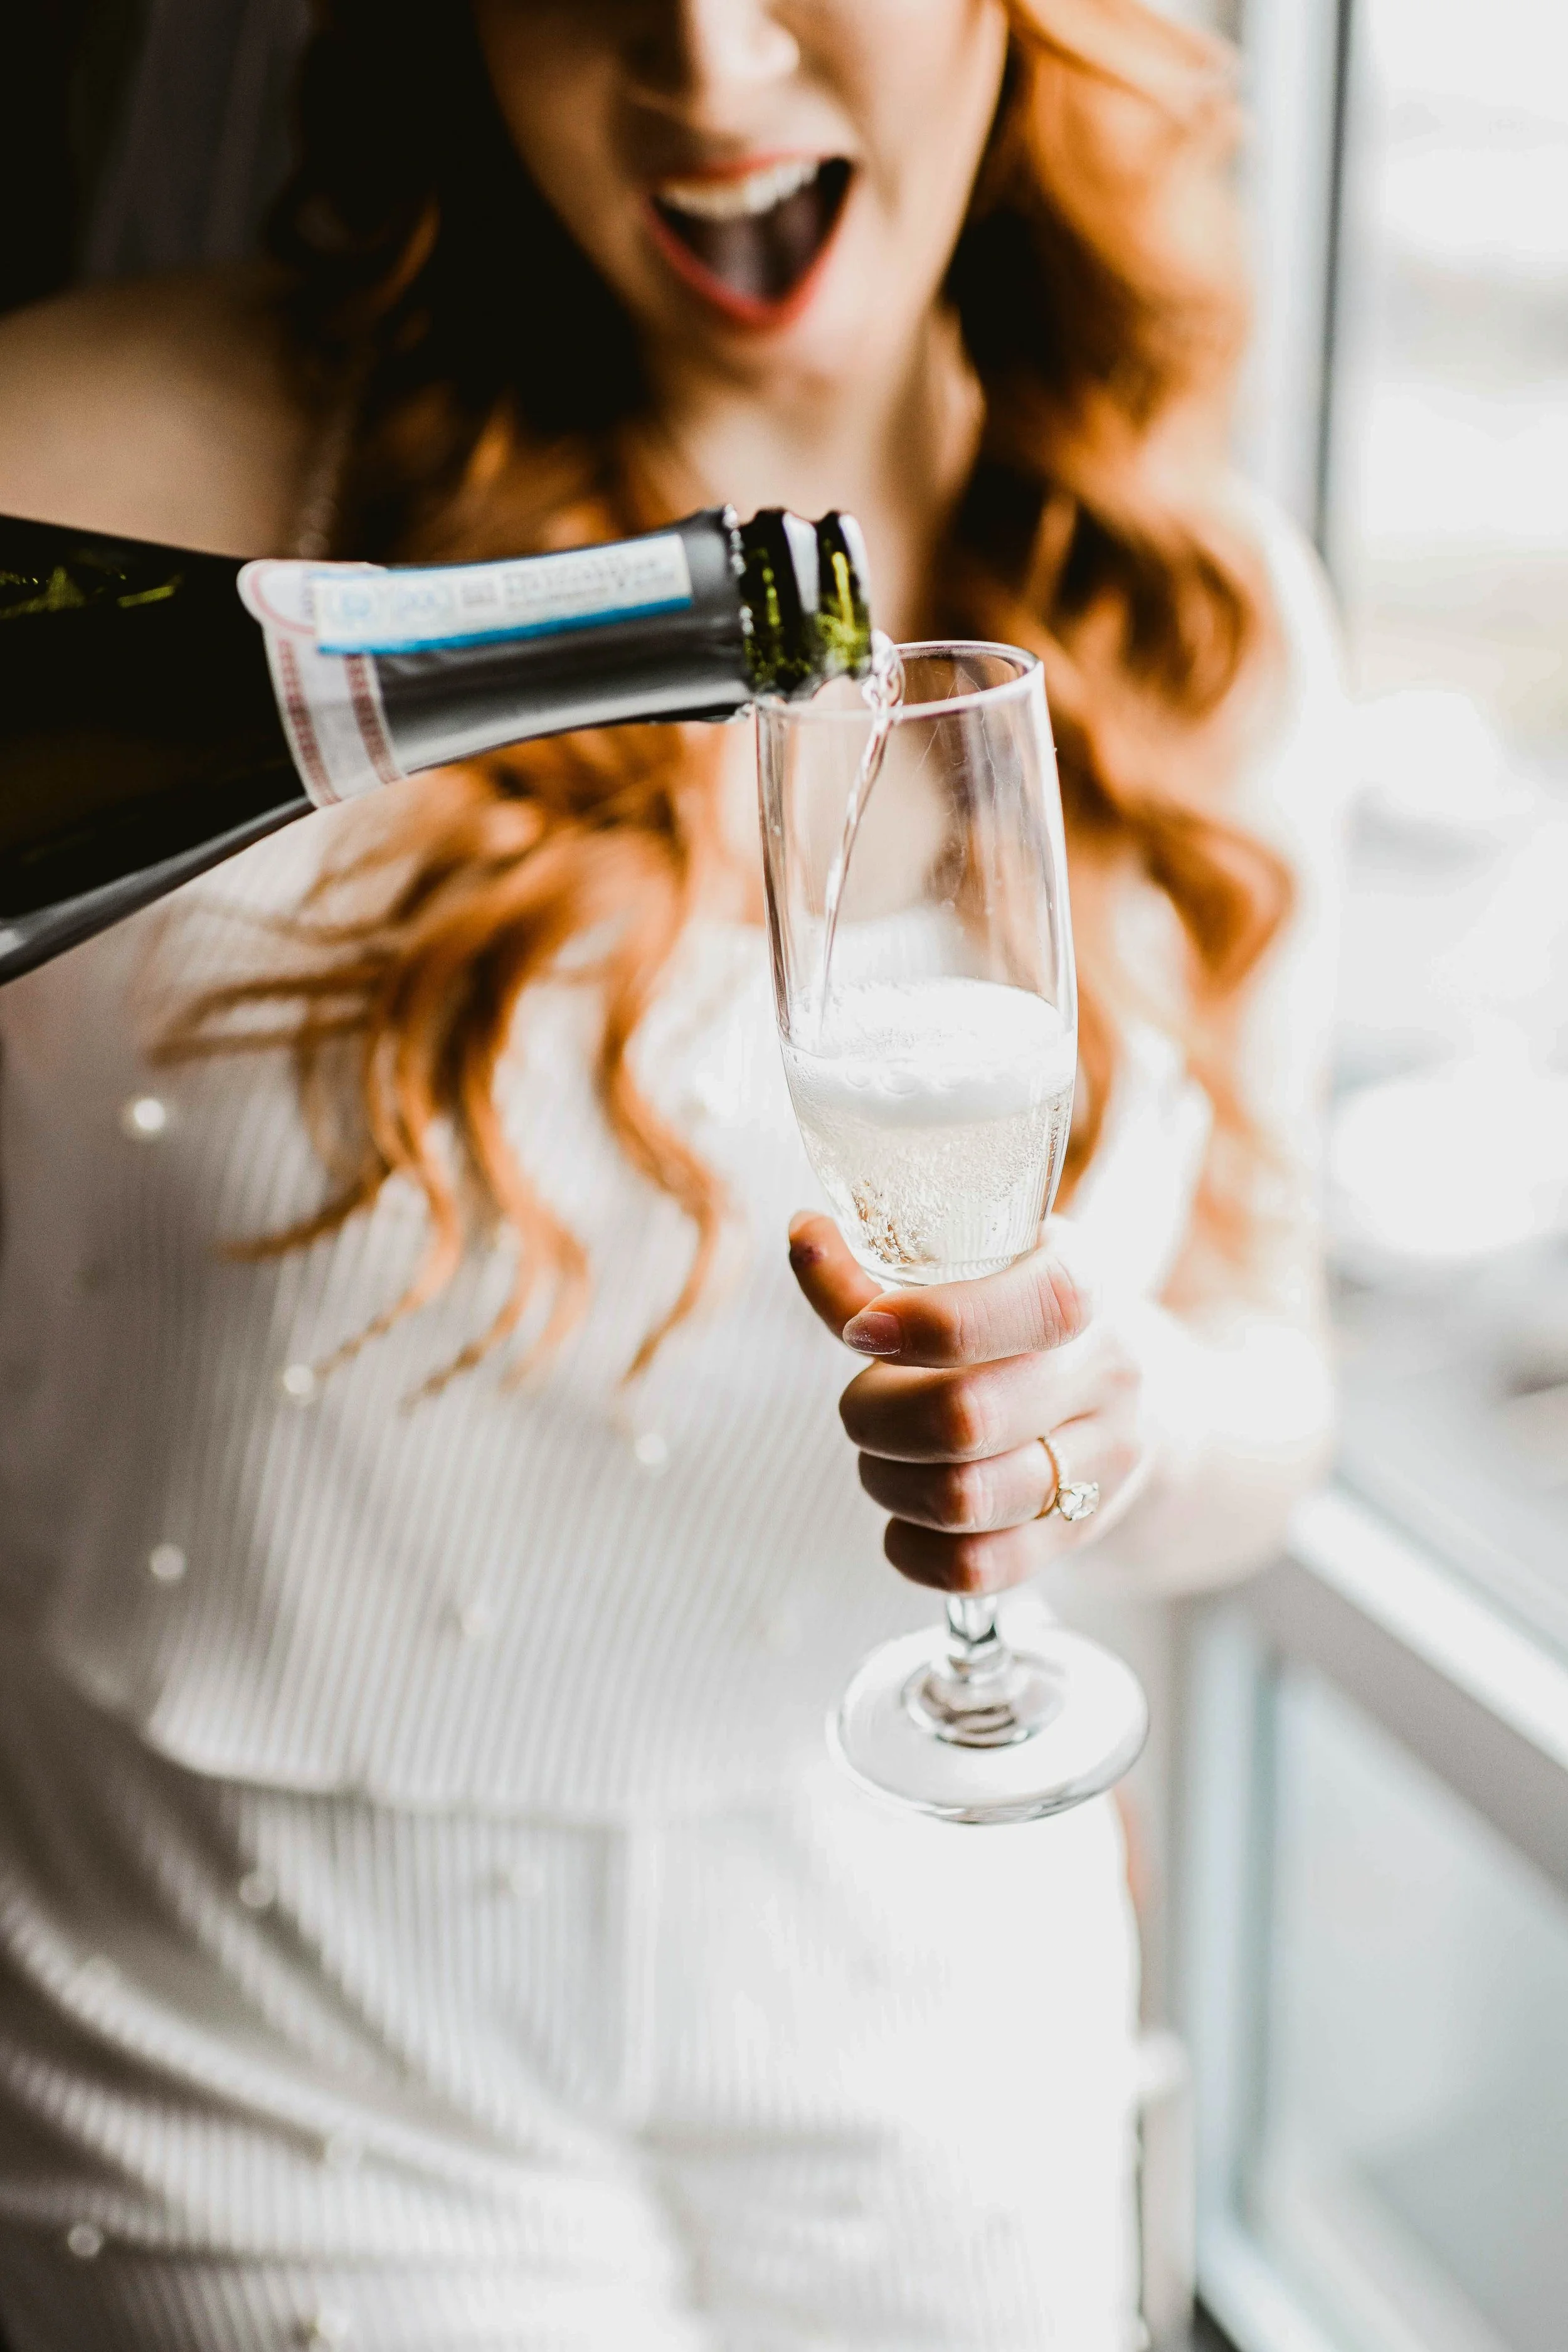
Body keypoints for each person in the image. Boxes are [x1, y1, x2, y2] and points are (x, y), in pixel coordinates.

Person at [0, 1, 1345, 2346]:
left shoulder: (1191, 600)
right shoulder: (121, 458)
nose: (710, 72)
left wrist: (1113, 1417)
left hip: (943, 2036)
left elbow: (1268, 1404)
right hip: (249, 2041)